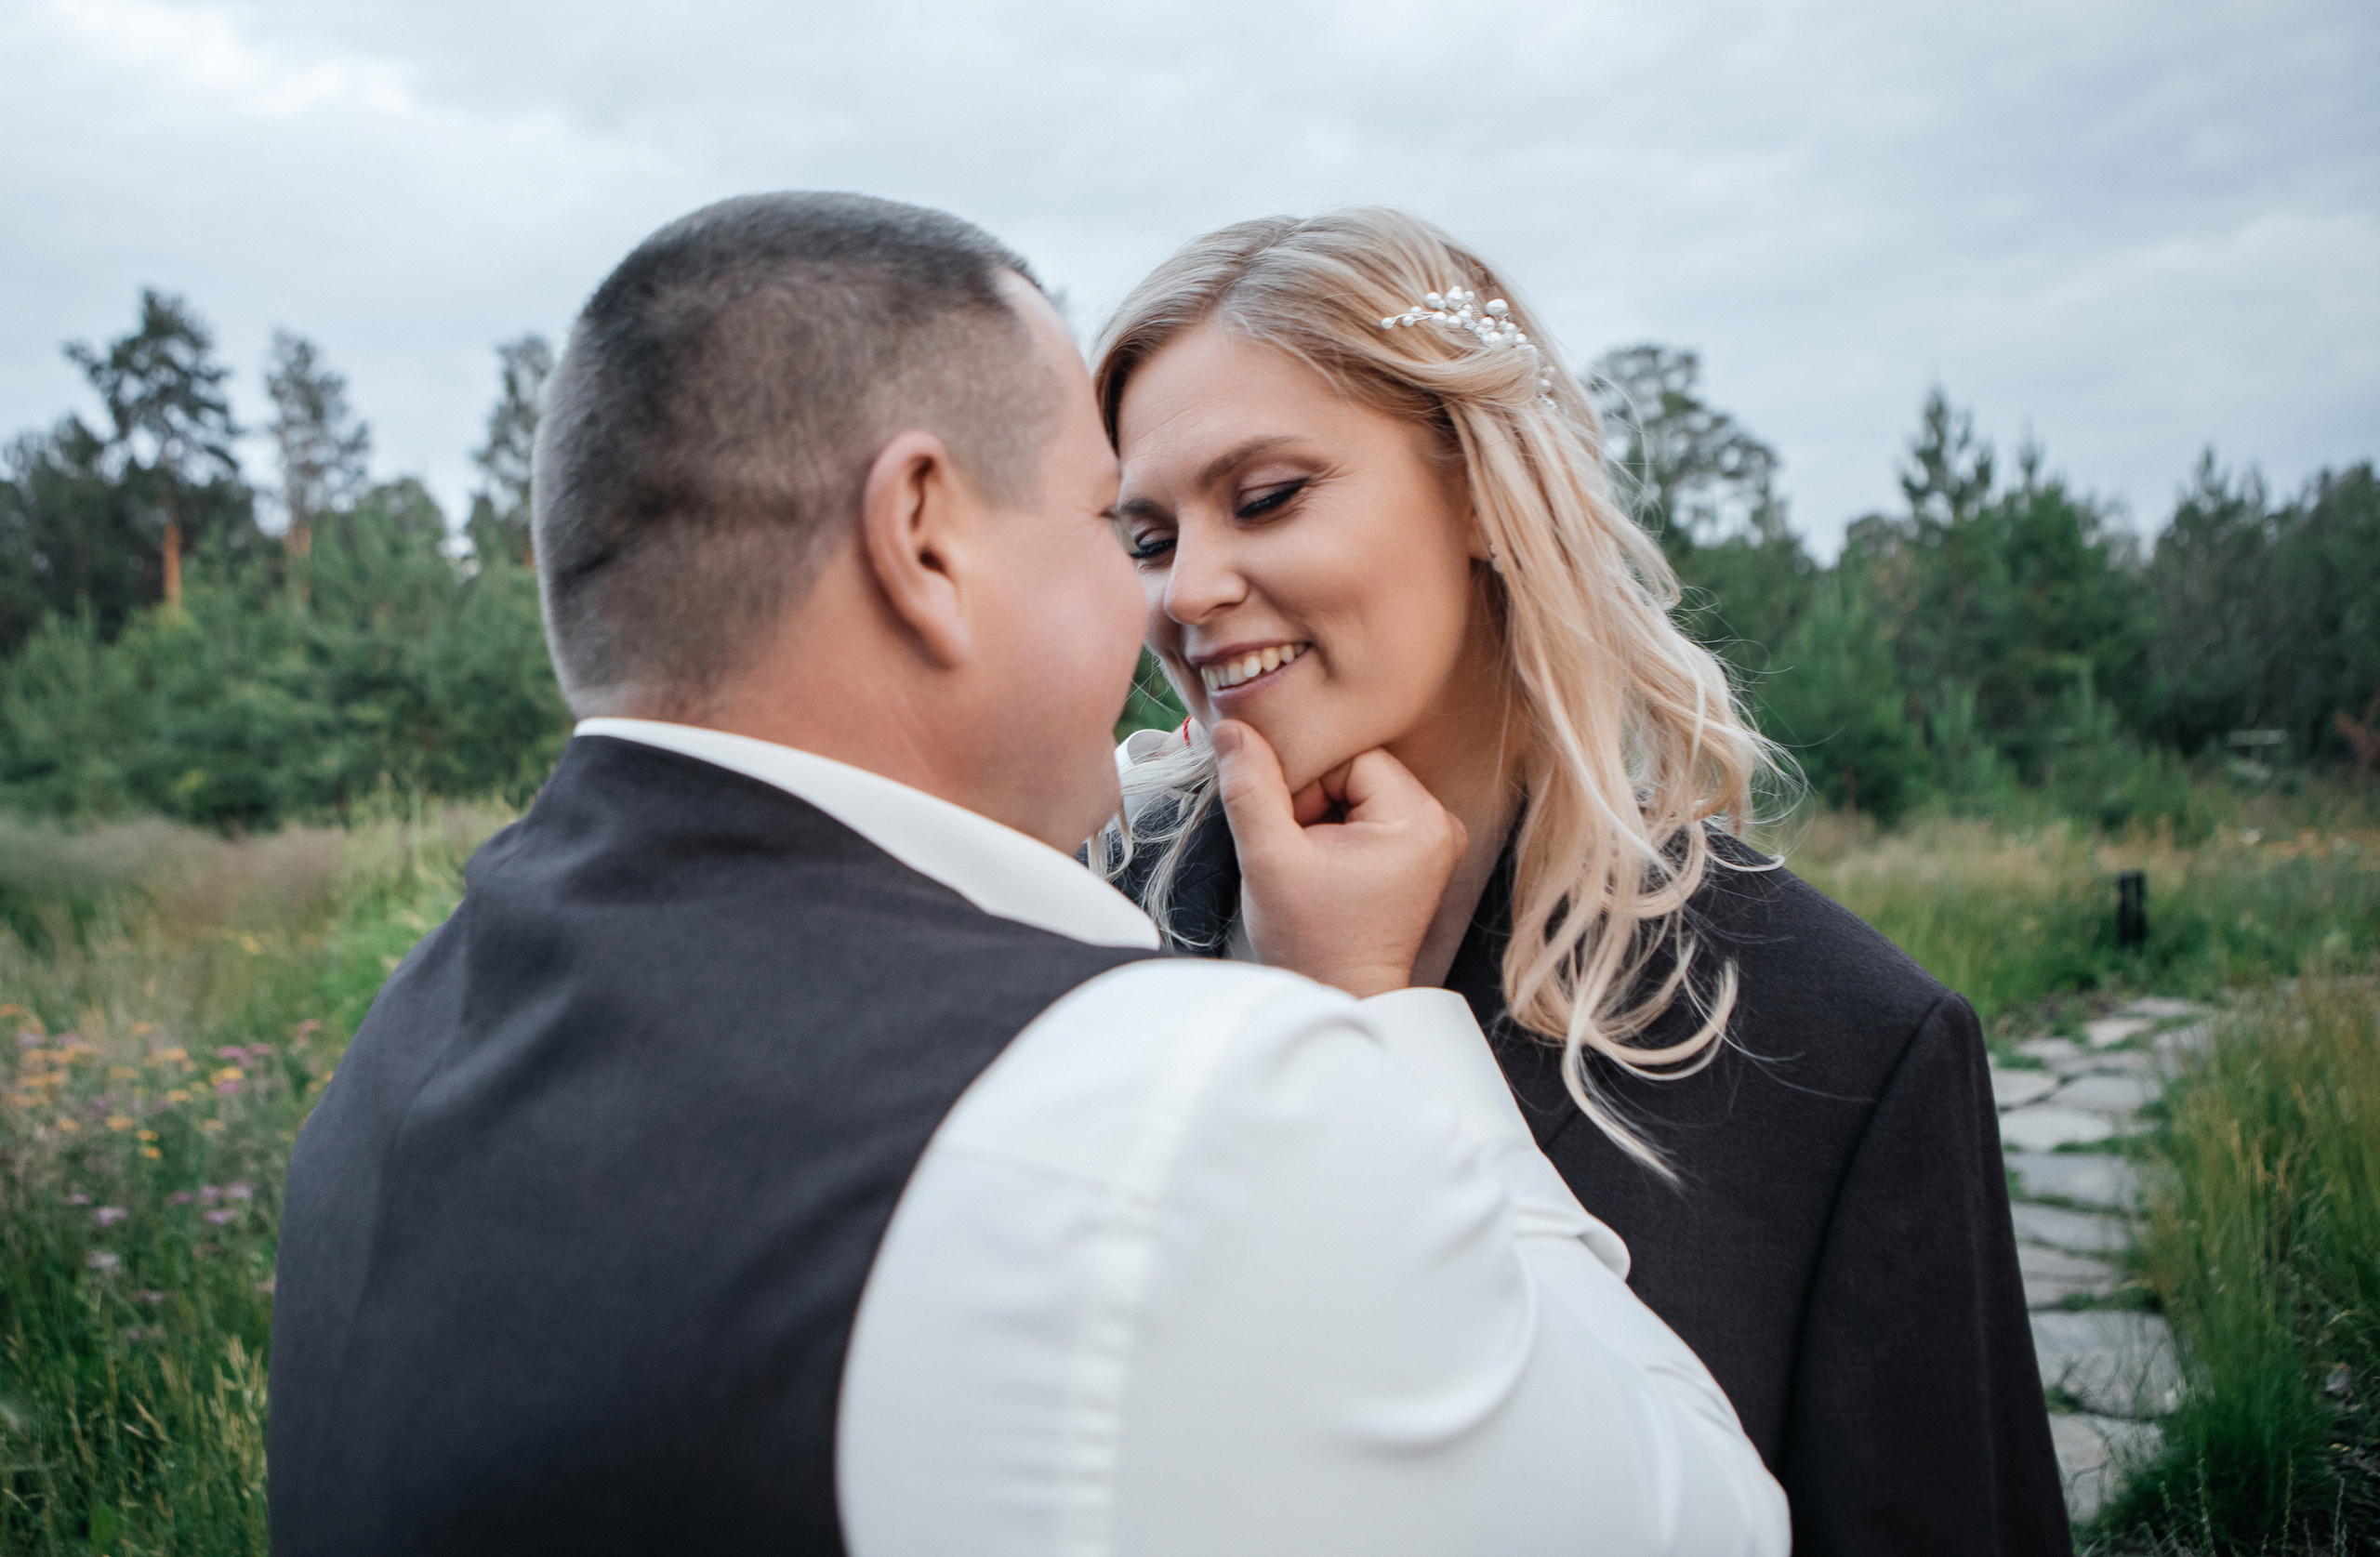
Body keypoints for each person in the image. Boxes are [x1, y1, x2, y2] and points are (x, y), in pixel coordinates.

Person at [266, 192, 1787, 1556]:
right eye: (1115, 526)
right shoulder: (1186, 1109)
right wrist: (1374, 1021)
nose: (1170, 602)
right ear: (923, 537)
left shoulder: (396, 1063)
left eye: (1259, 499)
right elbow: (1707, 1526)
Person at [1096, 208, 2070, 1555]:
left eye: (1266, 498)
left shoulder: (1840, 1044)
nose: (1188, 591)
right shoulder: (1079, 926)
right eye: (1147, 540)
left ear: (1483, 495)